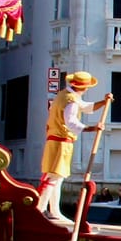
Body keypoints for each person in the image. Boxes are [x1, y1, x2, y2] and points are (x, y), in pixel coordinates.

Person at [37, 72, 112, 221]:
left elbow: (85, 107)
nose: (87, 89)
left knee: (57, 177)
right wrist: (92, 128)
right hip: (61, 142)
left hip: (56, 140)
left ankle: (53, 211)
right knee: (54, 177)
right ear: (83, 87)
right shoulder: (71, 100)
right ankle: (40, 210)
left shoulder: (64, 95)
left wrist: (103, 102)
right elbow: (71, 122)